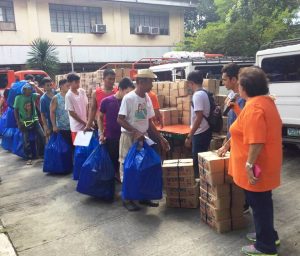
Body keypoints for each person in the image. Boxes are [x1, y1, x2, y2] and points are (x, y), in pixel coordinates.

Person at [228, 67, 282, 256]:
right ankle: (268, 235)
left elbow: (256, 140)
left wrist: (249, 165)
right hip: (267, 165)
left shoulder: (254, 107)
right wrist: (235, 107)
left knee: (259, 206)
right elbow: (247, 124)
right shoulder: (264, 102)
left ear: (245, 87)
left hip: (257, 168)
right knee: (263, 204)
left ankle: (265, 246)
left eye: (239, 84)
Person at [117, 69, 170, 211]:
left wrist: (160, 138)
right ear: (140, 82)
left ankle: (142, 197)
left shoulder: (147, 98)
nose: (152, 85)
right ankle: (127, 198)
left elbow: (149, 121)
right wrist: (134, 131)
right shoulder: (129, 98)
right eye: (150, 82)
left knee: (143, 167)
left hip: (143, 138)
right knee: (127, 167)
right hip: (129, 138)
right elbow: (119, 119)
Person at [217, 63, 249, 213]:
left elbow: (244, 127)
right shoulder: (232, 96)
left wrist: (227, 144)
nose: (223, 83)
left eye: (225, 80)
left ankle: (245, 204)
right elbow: (230, 121)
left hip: (242, 145)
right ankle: (241, 201)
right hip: (232, 141)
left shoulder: (244, 100)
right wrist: (226, 139)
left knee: (244, 176)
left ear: (234, 79)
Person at [99, 77, 135, 182]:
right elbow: (100, 117)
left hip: (127, 136)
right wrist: (101, 133)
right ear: (120, 89)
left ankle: (124, 181)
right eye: (127, 92)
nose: (129, 95)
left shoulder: (130, 102)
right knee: (113, 161)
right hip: (112, 137)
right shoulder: (107, 101)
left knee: (125, 161)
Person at [185, 70, 212, 178]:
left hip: (200, 133)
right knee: (201, 161)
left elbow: (198, 117)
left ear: (191, 83)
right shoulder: (204, 92)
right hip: (205, 131)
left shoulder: (197, 95)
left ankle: (198, 186)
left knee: (197, 163)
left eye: (188, 83)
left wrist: (189, 136)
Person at [14, 83, 45, 165]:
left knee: (42, 136)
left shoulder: (33, 96)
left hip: (34, 120)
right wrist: (18, 122)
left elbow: (43, 94)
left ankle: (41, 154)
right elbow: (16, 110)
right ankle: (29, 157)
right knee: (26, 140)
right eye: (29, 89)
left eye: (31, 89)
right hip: (24, 122)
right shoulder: (18, 98)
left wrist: (35, 86)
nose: (31, 91)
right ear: (24, 90)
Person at [65, 73, 88, 143]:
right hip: (76, 127)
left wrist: (89, 120)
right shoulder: (68, 95)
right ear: (69, 83)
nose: (78, 84)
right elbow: (71, 113)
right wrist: (85, 123)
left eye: (79, 82)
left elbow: (87, 106)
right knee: (79, 148)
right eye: (76, 82)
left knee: (86, 146)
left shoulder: (82, 91)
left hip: (85, 124)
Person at [50, 79, 72, 145]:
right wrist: (54, 126)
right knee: (64, 147)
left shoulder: (71, 96)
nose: (69, 87)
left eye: (69, 86)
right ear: (61, 86)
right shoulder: (56, 98)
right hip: (62, 127)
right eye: (67, 85)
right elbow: (52, 112)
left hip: (72, 126)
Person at [40, 77, 56, 141]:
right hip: (50, 123)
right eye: (47, 85)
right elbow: (42, 114)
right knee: (53, 140)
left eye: (50, 85)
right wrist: (46, 127)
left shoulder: (56, 93)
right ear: (43, 86)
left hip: (60, 122)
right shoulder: (43, 99)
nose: (49, 87)